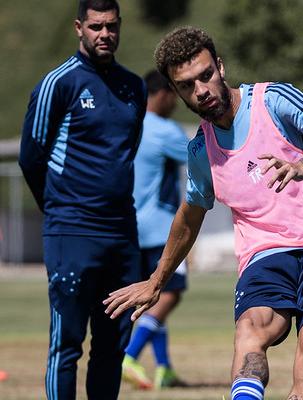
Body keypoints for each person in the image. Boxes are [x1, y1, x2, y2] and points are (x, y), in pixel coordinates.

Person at [103, 27, 303, 400]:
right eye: (187, 85)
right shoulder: (200, 151)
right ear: (176, 93)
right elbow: (190, 215)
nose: (201, 90)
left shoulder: (272, 100)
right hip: (266, 254)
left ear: (221, 67)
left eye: (206, 75)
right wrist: (156, 280)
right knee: (250, 333)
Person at [18, 1, 146, 398]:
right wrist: (58, 209)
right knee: (67, 344)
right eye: (95, 26)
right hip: (71, 233)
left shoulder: (134, 87)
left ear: (119, 26)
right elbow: (30, 156)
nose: (104, 34)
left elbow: (126, 153)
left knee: (112, 346)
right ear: (79, 28)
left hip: (122, 235)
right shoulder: (59, 83)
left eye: (111, 26)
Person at [121, 70, 189, 390]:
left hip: (132, 227)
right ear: (161, 94)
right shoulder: (165, 130)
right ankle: (130, 354)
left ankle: (163, 368)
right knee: (171, 292)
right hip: (164, 228)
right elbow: (200, 157)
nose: (176, 101)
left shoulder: (128, 126)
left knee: (151, 297)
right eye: (174, 94)